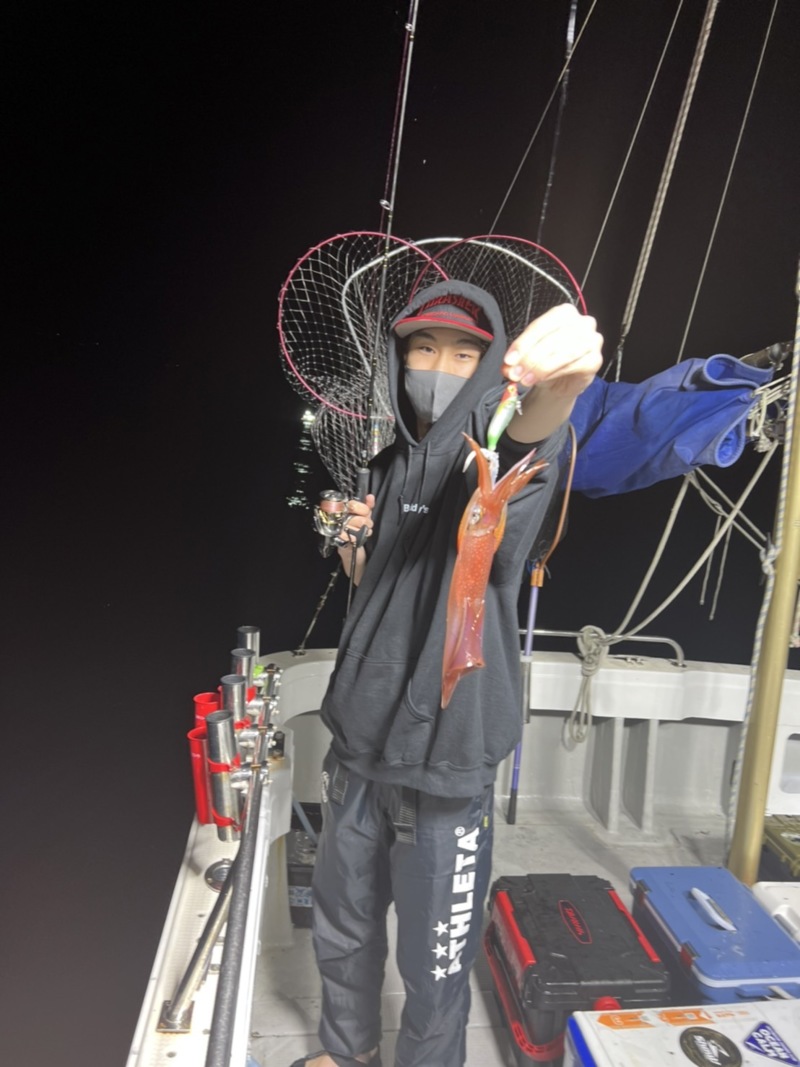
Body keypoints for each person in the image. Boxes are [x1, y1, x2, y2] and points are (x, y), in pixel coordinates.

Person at [290, 279, 603, 1067]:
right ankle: (347, 1051)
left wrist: (558, 388)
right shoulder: (385, 464)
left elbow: (529, 444)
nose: (439, 366)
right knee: (342, 925)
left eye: (465, 353)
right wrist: (348, 535)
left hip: (445, 760)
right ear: (400, 363)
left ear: (491, 366)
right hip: (358, 746)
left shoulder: (491, 460)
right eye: (423, 348)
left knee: (436, 961)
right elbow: (374, 579)